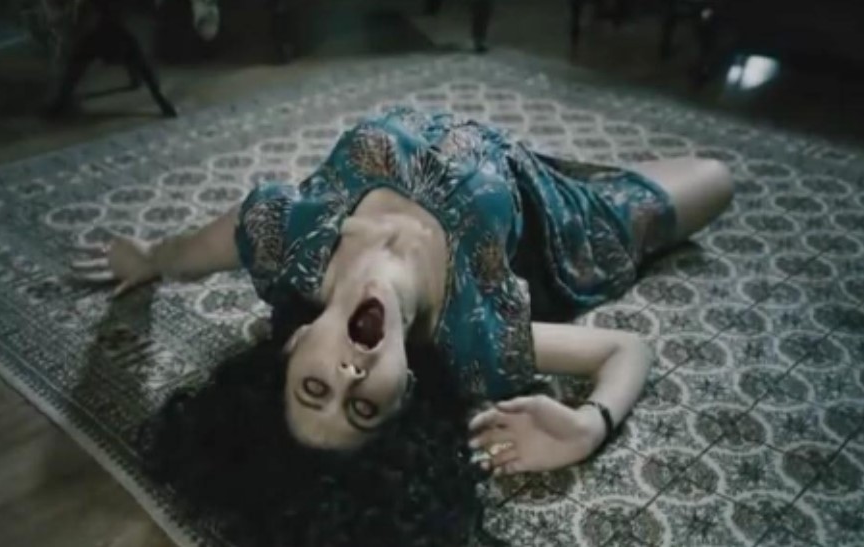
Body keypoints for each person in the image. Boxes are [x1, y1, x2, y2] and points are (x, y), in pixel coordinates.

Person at [73, 106, 732, 545]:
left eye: (315, 388)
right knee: (716, 177)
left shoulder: (285, 236)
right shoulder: (475, 337)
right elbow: (626, 347)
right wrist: (589, 426)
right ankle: (595, 186)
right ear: (405, 389)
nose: (348, 375)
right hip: (557, 219)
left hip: (487, 145)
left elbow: (192, 254)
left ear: (295, 345)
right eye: (362, 406)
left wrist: (148, 258)